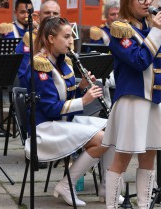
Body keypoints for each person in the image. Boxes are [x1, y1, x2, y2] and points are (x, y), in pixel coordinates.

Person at [25, 16, 115, 207]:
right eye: (66, 37)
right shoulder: (40, 65)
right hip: (45, 128)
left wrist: (82, 86)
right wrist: (84, 100)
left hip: (63, 122)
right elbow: (50, 109)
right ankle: (67, 184)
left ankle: (108, 189)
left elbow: (64, 95)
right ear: (51, 38)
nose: (71, 41)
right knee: (102, 140)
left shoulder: (61, 61)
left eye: (71, 36)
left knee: (113, 131)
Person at [101, 0, 161, 208]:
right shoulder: (121, 31)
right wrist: (155, 32)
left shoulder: (154, 29)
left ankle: (144, 206)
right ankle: (112, 206)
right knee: (122, 158)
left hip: (155, 102)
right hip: (133, 102)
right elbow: (139, 61)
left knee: (149, 157)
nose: (146, 2)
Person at [15, 0, 60, 88]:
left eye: (55, 13)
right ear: (39, 16)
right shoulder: (29, 39)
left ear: (60, 17)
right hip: (39, 92)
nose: (51, 16)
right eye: (47, 13)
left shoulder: (63, 39)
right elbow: (24, 78)